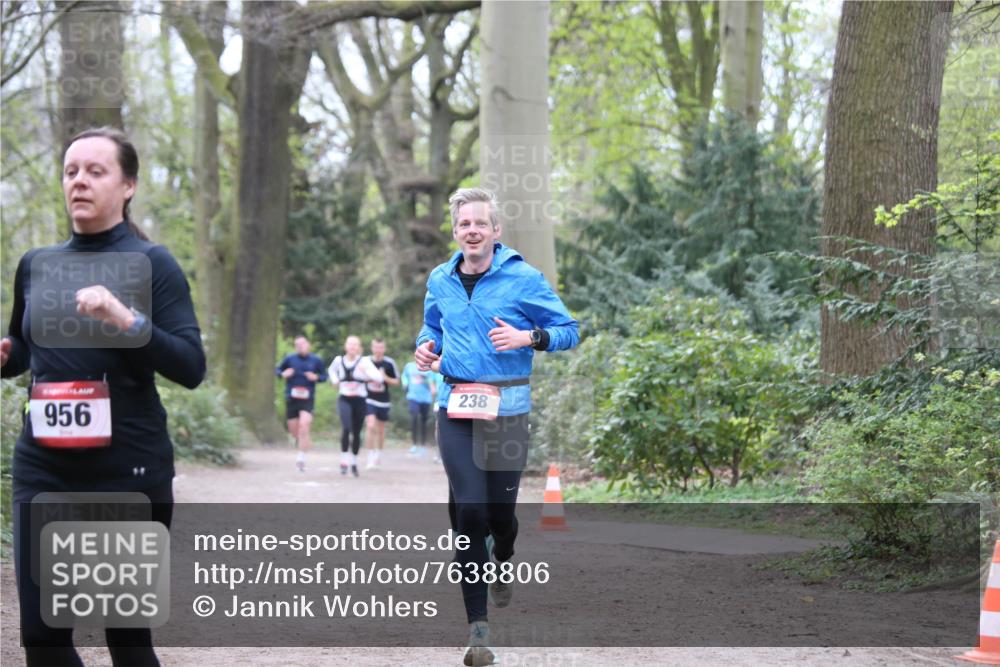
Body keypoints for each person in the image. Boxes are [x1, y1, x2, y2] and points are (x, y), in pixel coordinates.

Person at [1, 127, 206, 667]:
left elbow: (190, 367)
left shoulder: (152, 263)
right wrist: (7, 356)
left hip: (126, 471)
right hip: (43, 468)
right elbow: (26, 350)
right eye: (71, 171)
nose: (80, 182)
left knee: (126, 638)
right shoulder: (37, 264)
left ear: (128, 185)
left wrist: (125, 319)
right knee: (43, 638)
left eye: (96, 171)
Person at [414, 188, 579, 666]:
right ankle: (478, 634)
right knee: (468, 510)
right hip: (455, 406)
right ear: (455, 231)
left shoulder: (523, 278)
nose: (472, 231)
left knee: (499, 518)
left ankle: (503, 555)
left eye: (480, 224)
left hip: (507, 410)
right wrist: (426, 346)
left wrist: (530, 336)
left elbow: (569, 331)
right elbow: (432, 328)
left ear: (495, 230)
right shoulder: (440, 279)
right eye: (464, 224)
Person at [328, 335, 384, 476]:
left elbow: (379, 378)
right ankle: (344, 460)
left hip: (360, 400)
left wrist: (366, 372)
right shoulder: (338, 360)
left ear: (359, 347)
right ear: (345, 346)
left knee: (357, 432)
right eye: (350, 344)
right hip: (344, 398)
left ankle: (353, 461)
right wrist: (335, 380)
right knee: (347, 427)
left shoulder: (364, 361)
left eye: (355, 344)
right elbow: (331, 371)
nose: (352, 347)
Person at [276, 335, 328, 472]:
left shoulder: (316, 360)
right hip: (292, 398)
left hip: (307, 399)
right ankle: (304, 443)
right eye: (297, 345)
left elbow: (324, 376)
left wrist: (316, 377)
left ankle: (301, 459)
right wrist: (283, 374)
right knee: (294, 431)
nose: (300, 347)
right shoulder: (290, 359)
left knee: (304, 426)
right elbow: (277, 370)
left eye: (302, 344)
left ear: (308, 345)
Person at [363, 337, 399, 470]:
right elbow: (358, 377)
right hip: (368, 399)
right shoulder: (365, 361)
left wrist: (384, 377)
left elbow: (396, 382)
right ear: (372, 348)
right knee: (370, 425)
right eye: (376, 347)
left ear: (384, 349)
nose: (378, 350)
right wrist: (368, 378)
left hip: (383, 401)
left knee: (381, 430)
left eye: (381, 347)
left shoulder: (389, 363)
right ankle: (369, 457)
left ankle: (378, 454)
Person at [401, 359, 437, 458]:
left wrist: (424, 380)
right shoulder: (409, 366)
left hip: (426, 399)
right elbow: (404, 376)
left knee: (423, 422)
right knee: (414, 416)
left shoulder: (429, 367)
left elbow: (432, 382)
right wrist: (405, 384)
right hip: (413, 397)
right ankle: (414, 444)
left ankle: (422, 445)